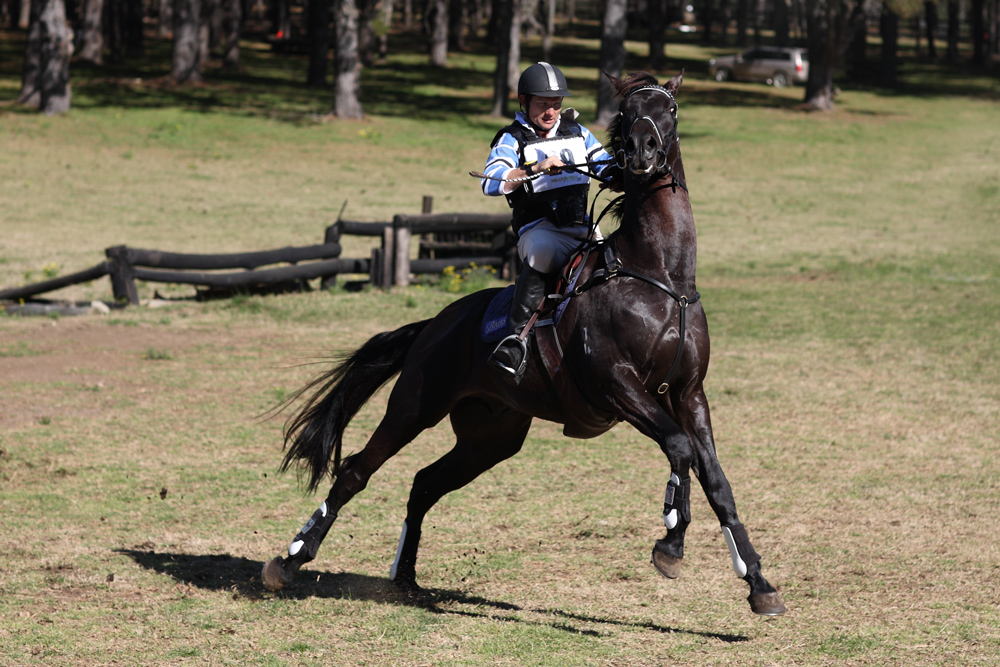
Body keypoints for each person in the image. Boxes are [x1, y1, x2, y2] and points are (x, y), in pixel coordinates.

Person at [481, 62, 617, 385]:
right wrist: (535, 169)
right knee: (542, 251)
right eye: (543, 103)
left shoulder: (578, 132)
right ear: (524, 102)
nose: (551, 111)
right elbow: (489, 181)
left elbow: (605, 166)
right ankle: (514, 342)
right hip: (539, 232)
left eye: (555, 103)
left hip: (582, 230)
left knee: (612, 260)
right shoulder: (511, 139)